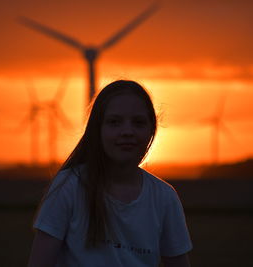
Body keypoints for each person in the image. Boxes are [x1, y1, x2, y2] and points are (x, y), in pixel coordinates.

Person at [28, 80, 192, 267]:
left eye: (138, 123)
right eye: (114, 122)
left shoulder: (164, 197)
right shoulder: (69, 186)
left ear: (151, 130)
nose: (127, 131)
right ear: (97, 130)